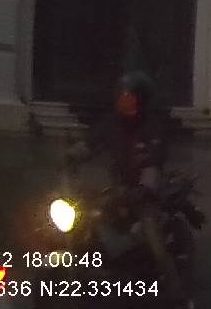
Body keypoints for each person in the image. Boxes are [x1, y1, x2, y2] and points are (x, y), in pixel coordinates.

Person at [69, 70, 190, 306]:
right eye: (121, 96)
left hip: (147, 191)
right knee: (88, 217)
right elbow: (90, 143)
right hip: (120, 188)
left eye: (130, 97)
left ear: (141, 100)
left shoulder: (152, 126)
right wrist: (72, 155)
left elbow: (154, 162)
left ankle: (177, 293)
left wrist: (143, 188)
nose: (124, 101)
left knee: (153, 236)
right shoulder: (111, 122)